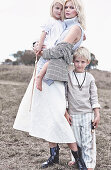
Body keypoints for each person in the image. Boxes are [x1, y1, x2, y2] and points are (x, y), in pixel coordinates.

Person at [13, 0, 87, 169]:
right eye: (65, 7)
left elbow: (59, 51)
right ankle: (53, 155)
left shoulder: (75, 28)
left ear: (78, 10)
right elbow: (51, 42)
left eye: (71, 7)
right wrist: (35, 45)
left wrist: (41, 51)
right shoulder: (63, 26)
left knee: (57, 115)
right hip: (45, 71)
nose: (67, 10)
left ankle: (79, 159)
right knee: (46, 115)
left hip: (53, 75)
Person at [65, 47, 100, 170]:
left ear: (88, 62)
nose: (79, 64)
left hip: (87, 114)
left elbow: (94, 97)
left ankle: (89, 163)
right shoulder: (68, 76)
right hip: (73, 114)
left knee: (87, 140)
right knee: (75, 140)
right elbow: (64, 96)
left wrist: (97, 114)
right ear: (73, 61)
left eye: (83, 62)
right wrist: (66, 112)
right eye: (77, 61)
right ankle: (75, 158)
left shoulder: (90, 77)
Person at [35, 0, 65, 91]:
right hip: (48, 46)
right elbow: (43, 34)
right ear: (52, 8)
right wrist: (39, 46)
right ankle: (39, 77)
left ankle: (45, 79)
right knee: (44, 64)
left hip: (56, 48)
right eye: (57, 8)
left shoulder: (63, 23)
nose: (59, 11)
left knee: (51, 65)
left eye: (61, 9)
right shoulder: (50, 20)